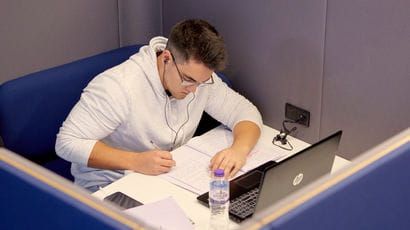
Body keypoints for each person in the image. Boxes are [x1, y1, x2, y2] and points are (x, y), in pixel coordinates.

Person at [56, 19, 262, 192]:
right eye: (188, 80)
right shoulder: (118, 86)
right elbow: (67, 143)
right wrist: (135, 161)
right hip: (109, 186)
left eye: (202, 82)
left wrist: (238, 150)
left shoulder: (199, 79)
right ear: (166, 58)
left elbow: (244, 112)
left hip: (163, 180)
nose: (194, 90)